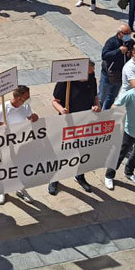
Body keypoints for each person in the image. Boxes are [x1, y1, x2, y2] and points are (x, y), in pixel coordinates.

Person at [50, 61, 100, 194]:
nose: (92, 72)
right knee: (61, 152)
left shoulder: (92, 79)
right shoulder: (66, 82)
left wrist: (96, 105)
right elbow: (55, 100)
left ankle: (80, 176)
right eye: (90, 70)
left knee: (82, 151)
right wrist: (62, 110)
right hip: (67, 122)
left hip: (84, 121)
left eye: (93, 70)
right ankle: (54, 179)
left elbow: (95, 96)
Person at [0, 85, 39, 205]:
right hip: (6, 143)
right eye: (26, 96)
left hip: (21, 142)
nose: (28, 98)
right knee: (5, 166)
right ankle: (1, 190)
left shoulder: (25, 106)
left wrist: (34, 117)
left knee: (20, 166)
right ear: (18, 97)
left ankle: (20, 189)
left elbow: (30, 117)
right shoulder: (3, 109)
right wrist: (3, 130)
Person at [100, 25, 135, 110]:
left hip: (120, 75)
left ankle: (105, 113)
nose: (128, 35)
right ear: (119, 33)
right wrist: (118, 51)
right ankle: (97, 113)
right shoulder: (111, 42)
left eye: (129, 33)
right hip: (108, 74)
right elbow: (104, 55)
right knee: (102, 97)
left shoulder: (130, 42)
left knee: (112, 96)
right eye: (126, 33)